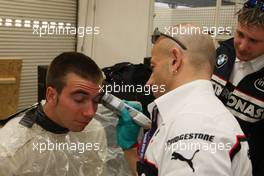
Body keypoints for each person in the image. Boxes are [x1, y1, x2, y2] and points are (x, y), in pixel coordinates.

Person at [116, 25, 252, 176]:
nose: (149, 82)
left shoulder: (194, 123)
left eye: (153, 68)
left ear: (175, 60)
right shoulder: (192, 116)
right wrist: (131, 150)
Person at [0, 52, 109, 175]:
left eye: (96, 100)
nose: (90, 113)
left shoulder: (94, 131)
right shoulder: (10, 149)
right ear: (52, 95)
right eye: (79, 99)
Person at [211, 1, 264, 175]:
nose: (242, 45)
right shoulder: (221, 52)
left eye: (253, 41)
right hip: (206, 158)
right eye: (240, 34)